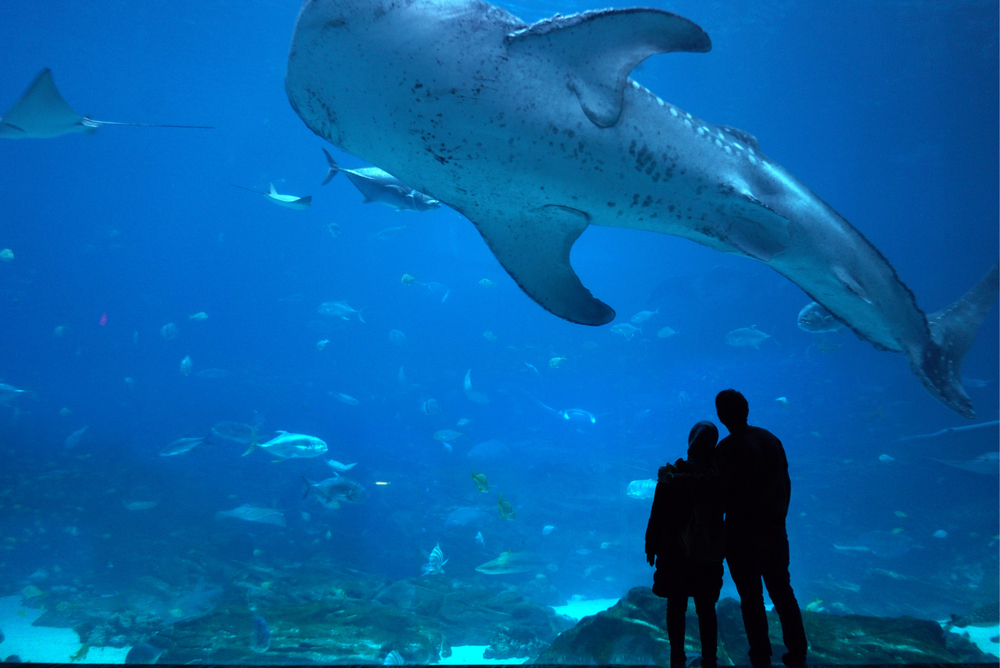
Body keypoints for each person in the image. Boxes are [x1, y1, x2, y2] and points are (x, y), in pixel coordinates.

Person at [713, 389, 808, 668]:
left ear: (720, 415)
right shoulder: (770, 440)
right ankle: (798, 651)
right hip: (774, 528)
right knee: (782, 591)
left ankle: (760, 655)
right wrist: (779, 518)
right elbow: (786, 483)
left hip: (741, 532)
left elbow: (720, 495)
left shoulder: (727, 449)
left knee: (751, 597)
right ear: (747, 409)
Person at [645, 421, 725, 668]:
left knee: (676, 606)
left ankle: (676, 658)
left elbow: (656, 513)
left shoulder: (672, 475)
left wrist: (651, 544)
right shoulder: (717, 478)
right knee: (706, 607)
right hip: (706, 553)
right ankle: (709, 659)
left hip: (673, 553)